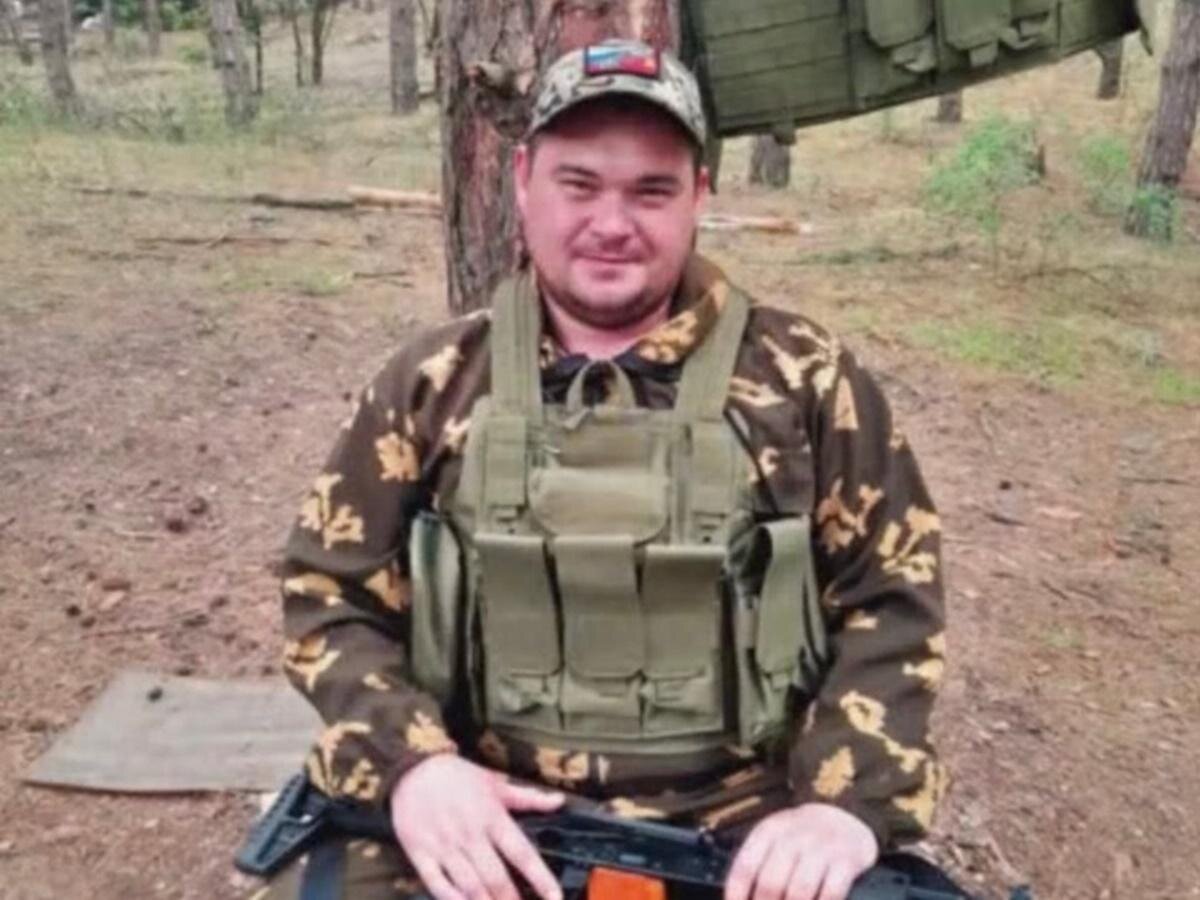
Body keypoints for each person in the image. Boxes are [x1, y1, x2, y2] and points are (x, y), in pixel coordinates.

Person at [263, 39, 947, 900]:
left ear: (699, 194)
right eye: (579, 185)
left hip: (741, 827)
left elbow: (893, 598)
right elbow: (327, 591)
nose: (612, 225)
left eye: (651, 191)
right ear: (522, 182)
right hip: (488, 811)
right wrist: (414, 765)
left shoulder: (806, 380)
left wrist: (842, 806)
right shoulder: (435, 382)